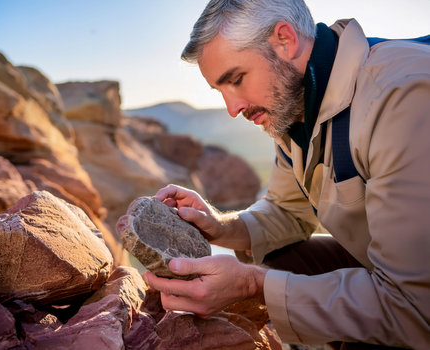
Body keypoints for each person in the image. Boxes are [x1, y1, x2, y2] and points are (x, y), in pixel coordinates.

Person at [144, 0, 430, 349]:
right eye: (220, 91)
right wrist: (221, 226)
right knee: (279, 260)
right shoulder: (296, 104)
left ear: (285, 39)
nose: (233, 109)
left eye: (236, 80)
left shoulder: (401, 99)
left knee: (271, 278)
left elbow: (417, 307)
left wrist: (253, 285)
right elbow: (286, 212)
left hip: (417, 300)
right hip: (391, 270)